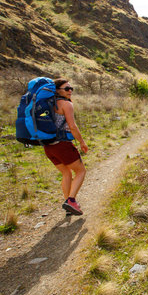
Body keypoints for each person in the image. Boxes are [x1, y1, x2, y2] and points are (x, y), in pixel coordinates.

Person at [43, 78, 89, 216]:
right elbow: (72, 126)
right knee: (81, 171)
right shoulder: (66, 105)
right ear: (57, 90)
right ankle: (71, 201)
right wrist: (82, 142)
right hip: (62, 145)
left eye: (71, 88)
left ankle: (68, 205)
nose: (70, 91)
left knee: (66, 173)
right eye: (67, 89)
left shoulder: (47, 104)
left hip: (48, 146)